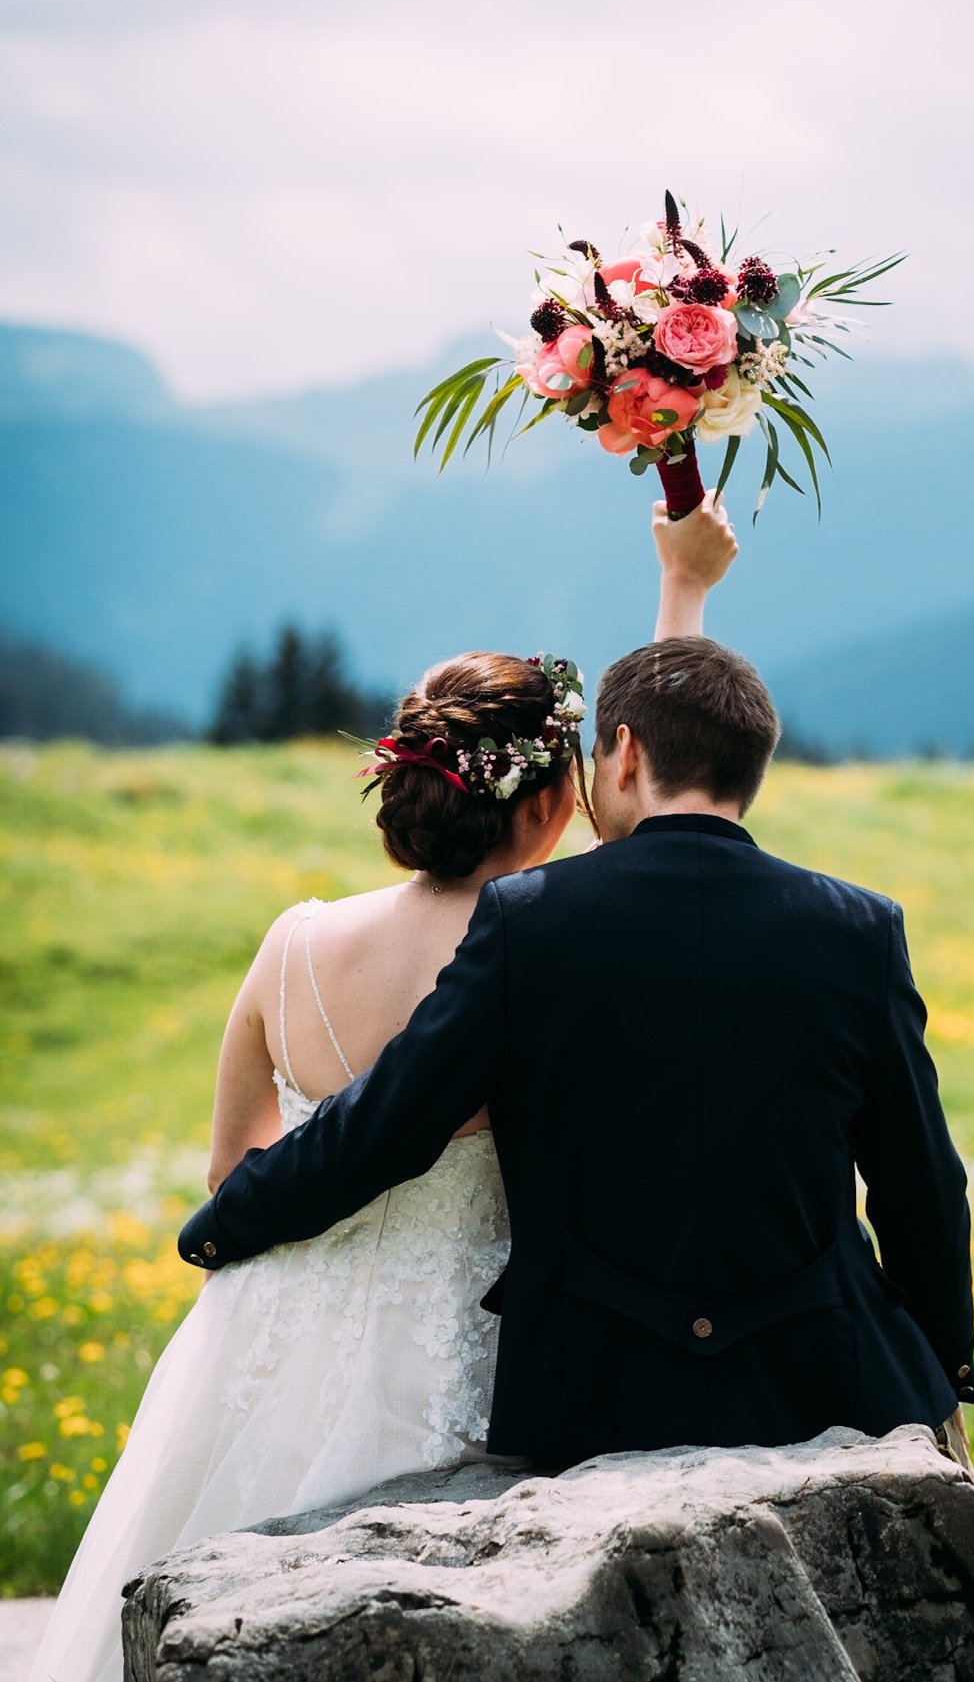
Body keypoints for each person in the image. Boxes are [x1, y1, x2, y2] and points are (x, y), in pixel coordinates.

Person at [29, 497, 738, 1682]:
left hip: (264, 1340)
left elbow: (231, 1172)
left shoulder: (293, 942)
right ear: (544, 804)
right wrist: (684, 589)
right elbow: (652, 828)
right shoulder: (550, 944)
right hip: (468, 1352)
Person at [178, 543, 974, 1475]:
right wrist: (942, 1358)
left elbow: (386, 1125)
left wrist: (223, 1222)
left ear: (627, 752)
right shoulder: (861, 928)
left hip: (593, 1394)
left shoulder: (528, 921)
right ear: (750, 767)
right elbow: (921, 1182)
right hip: (822, 1380)